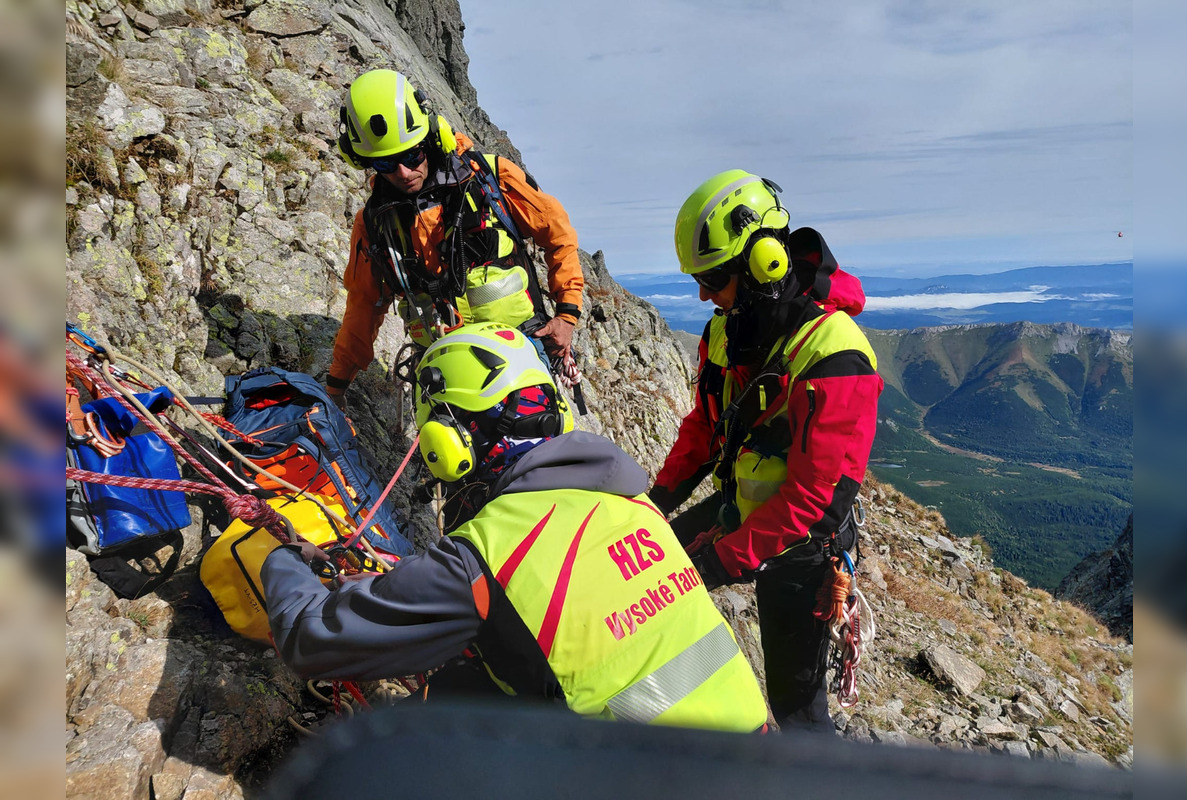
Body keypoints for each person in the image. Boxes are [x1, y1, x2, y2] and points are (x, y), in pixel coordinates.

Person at [262, 323, 768, 733]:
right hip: (757, 755)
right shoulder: (634, 504)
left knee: (406, 742)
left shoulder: (488, 555)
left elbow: (309, 637)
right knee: (465, 683)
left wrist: (283, 557)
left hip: (647, 781)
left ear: (448, 440)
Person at [647, 170, 883, 731]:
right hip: (743, 510)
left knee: (797, 709)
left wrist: (716, 561)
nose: (704, 295)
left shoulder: (836, 356)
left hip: (804, 543)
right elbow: (705, 426)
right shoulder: (728, 330)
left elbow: (812, 503)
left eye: (713, 278)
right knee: (653, 576)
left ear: (764, 266)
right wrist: (653, 504)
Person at [325, 69, 584, 408]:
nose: (403, 172)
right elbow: (363, 307)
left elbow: (558, 234)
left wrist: (566, 316)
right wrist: (336, 386)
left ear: (431, 139)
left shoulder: (489, 179)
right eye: (386, 162)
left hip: (519, 354)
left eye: (410, 155)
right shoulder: (376, 223)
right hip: (443, 370)